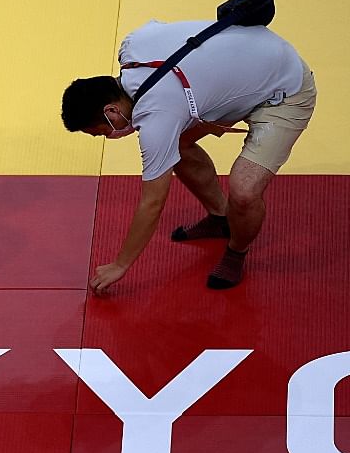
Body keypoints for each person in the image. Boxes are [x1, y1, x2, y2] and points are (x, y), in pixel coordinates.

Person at [61, 18, 317, 291]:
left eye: (101, 132)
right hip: (256, 63)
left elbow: (153, 202)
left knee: (244, 192)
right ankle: (222, 219)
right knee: (177, 143)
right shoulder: (132, 46)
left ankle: (236, 251)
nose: (109, 137)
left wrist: (120, 265)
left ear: (111, 111)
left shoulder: (157, 117)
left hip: (285, 88)